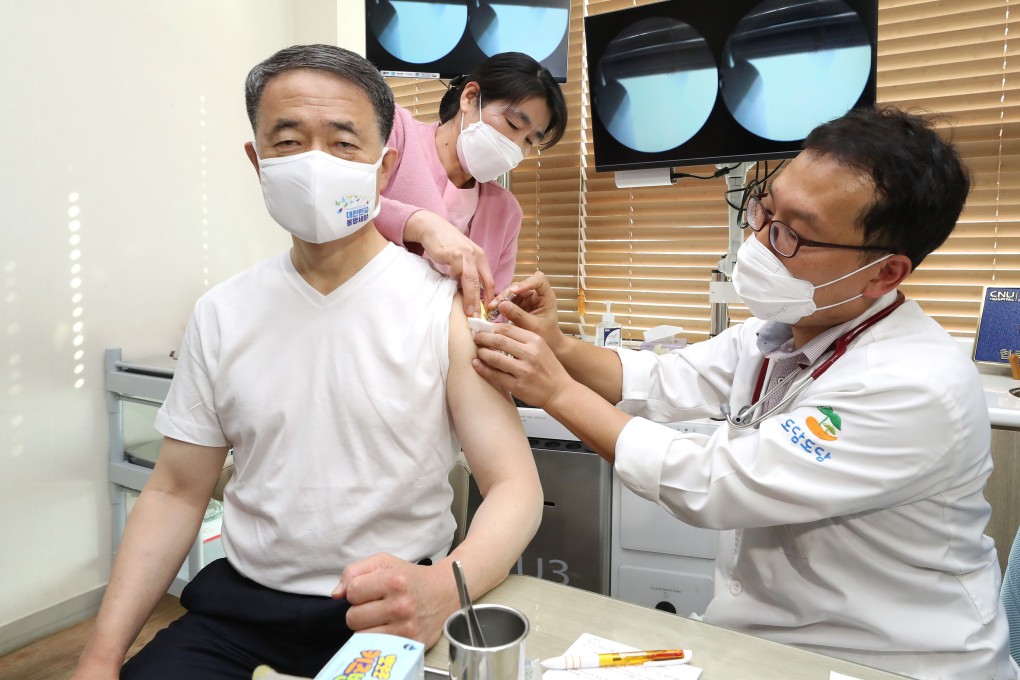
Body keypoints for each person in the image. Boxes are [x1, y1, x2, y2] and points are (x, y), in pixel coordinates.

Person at [471, 106, 1020, 679]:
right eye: (765, 209)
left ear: (884, 273)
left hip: (883, 663)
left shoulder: (913, 385)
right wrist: (558, 345)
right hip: (769, 645)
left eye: (790, 233)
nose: (757, 241)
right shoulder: (784, 329)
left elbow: (714, 483)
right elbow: (660, 378)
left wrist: (555, 391)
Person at [72, 44, 543, 679]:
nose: (317, 164)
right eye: (289, 141)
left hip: (392, 609)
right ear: (257, 162)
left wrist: (443, 590)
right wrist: (99, 658)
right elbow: (176, 491)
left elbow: (515, 486)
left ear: (384, 168)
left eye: (345, 143)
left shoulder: (442, 308)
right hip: (238, 612)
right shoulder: (221, 313)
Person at [375, 52, 567, 318]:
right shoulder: (396, 132)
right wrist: (420, 225)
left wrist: (508, 313)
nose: (515, 146)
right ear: (470, 97)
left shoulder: (505, 211)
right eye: (512, 124)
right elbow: (341, 205)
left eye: (529, 142)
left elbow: (490, 310)